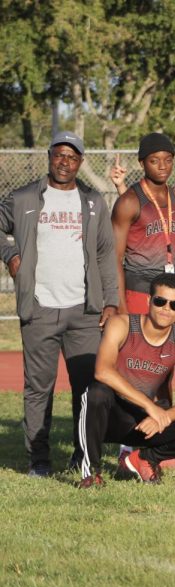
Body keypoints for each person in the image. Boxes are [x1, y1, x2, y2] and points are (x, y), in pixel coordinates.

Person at [0, 131, 119, 476]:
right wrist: (10, 254)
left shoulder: (93, 201)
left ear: (80, 161)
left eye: (72, 157)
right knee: (39, 388)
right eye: (59, 155)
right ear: (49, 157)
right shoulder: (25, 198)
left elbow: (105, 254)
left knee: (87, 390)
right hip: (39, 308)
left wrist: (110, 301)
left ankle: (81, 455)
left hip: (85, 312)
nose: (64, 162)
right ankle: (38, 460)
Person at [76, 274, 175, 487]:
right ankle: (91, 473)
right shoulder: (121, 324)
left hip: (149, 424)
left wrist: (164, 416)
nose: (166, 308)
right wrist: (150, 406)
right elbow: (103, 371)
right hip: (113, 418)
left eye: (174, 304)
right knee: (96, 392)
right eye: (160, 301)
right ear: (148, 300)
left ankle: (144, 459)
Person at [110, 133, 175, 314]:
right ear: (142, 163)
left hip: (172, 293)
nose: (162, 166)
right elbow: (114, 258)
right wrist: (121, 308)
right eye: (154, 161)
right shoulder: (128, 202)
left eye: (168, 160)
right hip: (139, 290)